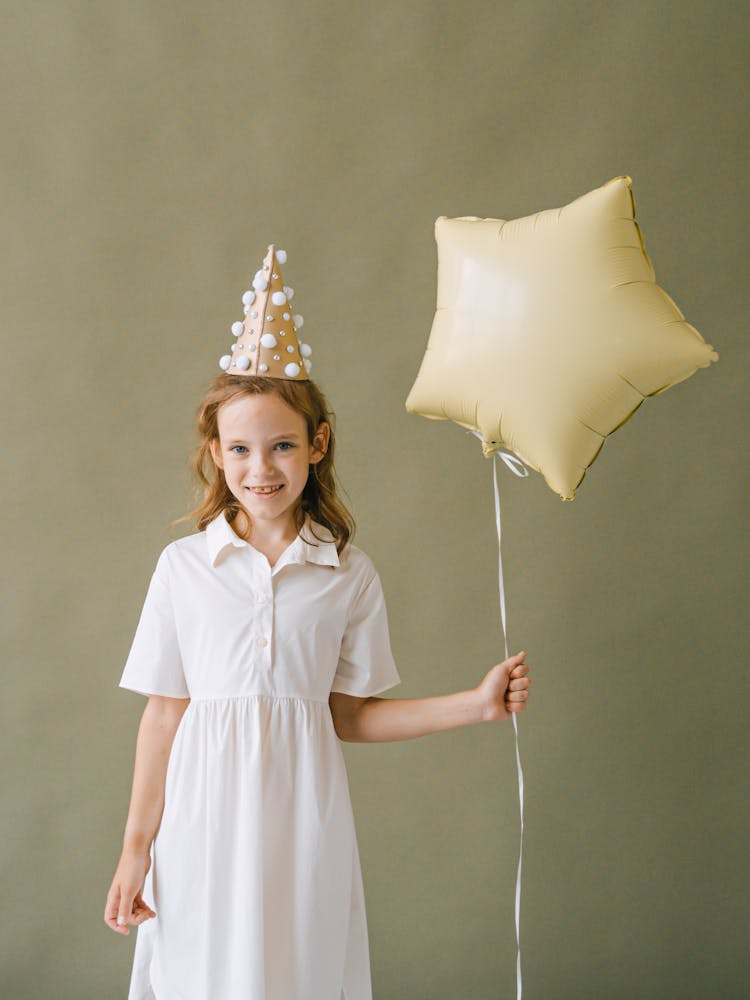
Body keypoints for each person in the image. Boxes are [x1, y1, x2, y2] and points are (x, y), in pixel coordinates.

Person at [104, 245, 532, 1000]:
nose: (259, 468)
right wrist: (136, 849)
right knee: (203, 973)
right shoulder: (183, 569)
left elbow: (351, 717)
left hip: (304, 828)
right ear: (216, 453)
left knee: (296, 973)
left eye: (280, 446)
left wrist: (476, 703)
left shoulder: (346, 574)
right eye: (239, 448)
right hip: (202, 828)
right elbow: (164, 717)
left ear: (317, 445)